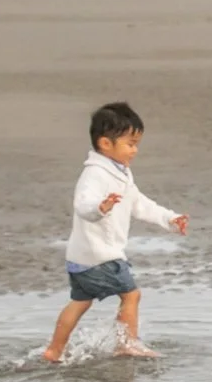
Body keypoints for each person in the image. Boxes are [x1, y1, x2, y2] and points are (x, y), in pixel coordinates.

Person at [39, 102, 188, 363]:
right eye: (130, 143)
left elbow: (139, 204)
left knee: (80, 302)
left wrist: (169, 219)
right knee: (132, 294)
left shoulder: (120, 173)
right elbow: (83, 204)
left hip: (82, 256)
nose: (135, 150)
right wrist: (100, 207)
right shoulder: (95, 173)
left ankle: (54, 351)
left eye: (137, 143)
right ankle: (126, 344)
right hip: (101, 255)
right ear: (106, 144)